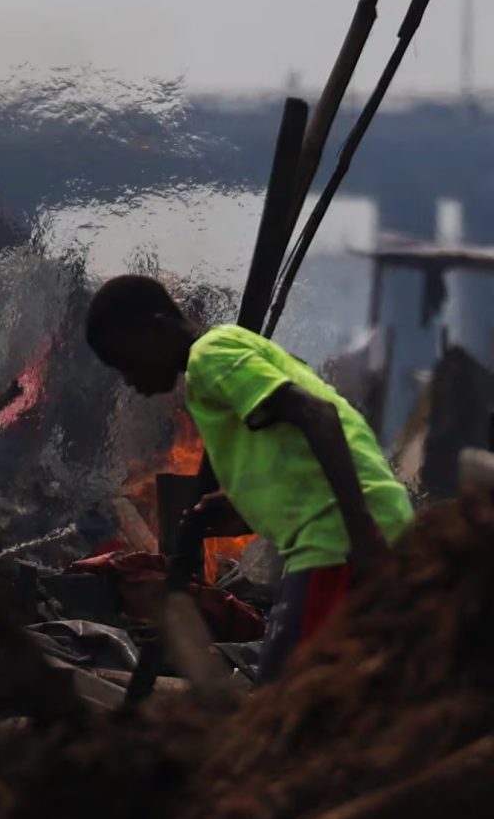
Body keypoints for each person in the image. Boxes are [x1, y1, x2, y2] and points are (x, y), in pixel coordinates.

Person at [83, 274, 413, 680]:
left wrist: (361, 535)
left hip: (336, 539)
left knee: (288, 694)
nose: (129, 380)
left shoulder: (211, 356)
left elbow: (318, 416)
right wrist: (243, 508)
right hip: (332, 533)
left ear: (158, 325)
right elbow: (293, 453)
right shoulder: (225, 352)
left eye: (127, 362)